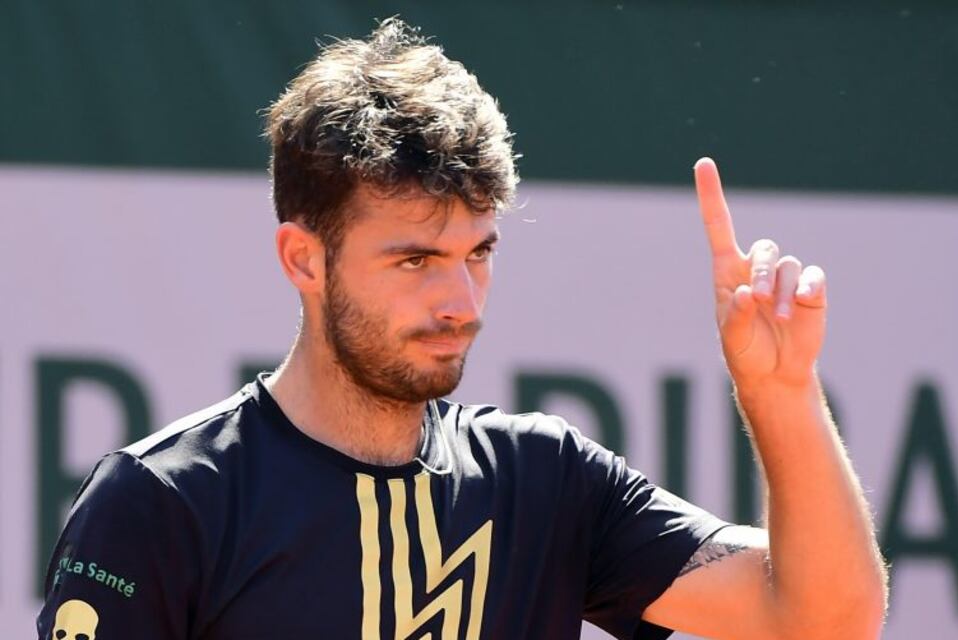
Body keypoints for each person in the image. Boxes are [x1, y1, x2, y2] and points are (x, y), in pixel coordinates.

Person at [37, 18, 886, 640]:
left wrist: (779, 393)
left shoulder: (546, 480)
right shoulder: (162, 503)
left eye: (477, 252)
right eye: (414, 261)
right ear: (303, 258)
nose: (462, 302)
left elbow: (826, 619)